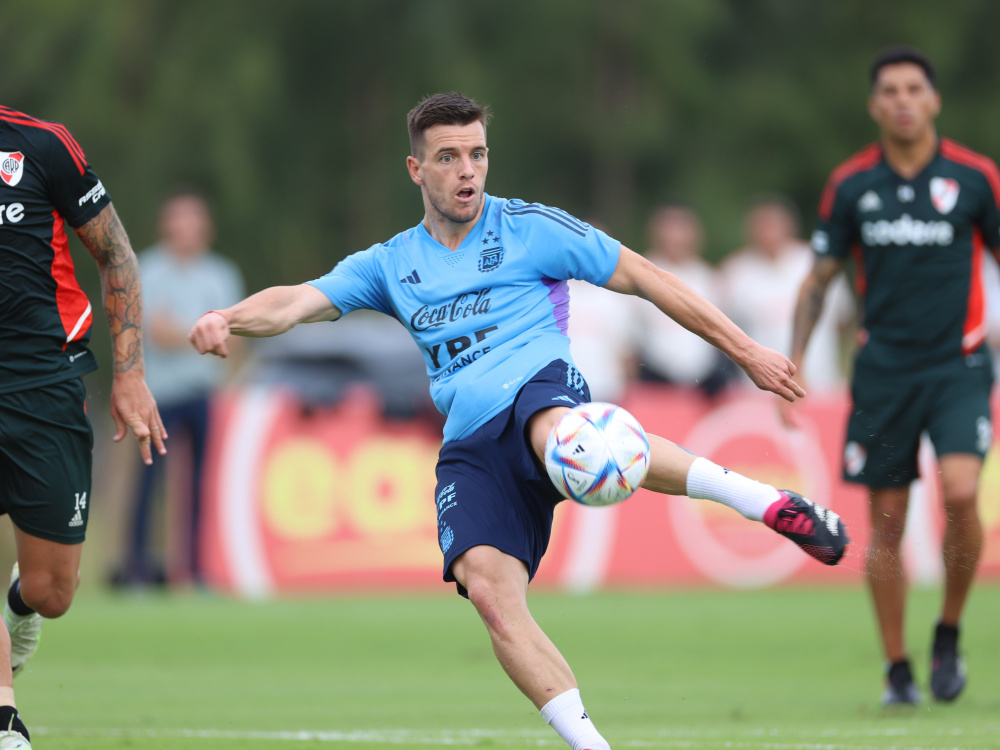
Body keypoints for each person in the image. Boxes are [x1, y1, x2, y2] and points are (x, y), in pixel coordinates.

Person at [190, 93, 848, 750]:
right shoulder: (391, 264)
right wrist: (230, 317)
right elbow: (297, 301)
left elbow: (648, 278)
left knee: (571, 438)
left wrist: (748, 353)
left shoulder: (532, 228)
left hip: (540, 390)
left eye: (476, 154)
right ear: (417, 170)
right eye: (448, 157)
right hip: (471, 444)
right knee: (491, 596)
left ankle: (763, 502)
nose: (467, 170)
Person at [783, 47, 1000, 706]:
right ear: (875, 105)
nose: (903, 100)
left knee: (962, 494)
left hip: (958, 366)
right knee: (886, 521)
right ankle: (899, 667)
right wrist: (788, 362)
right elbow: (819, 280)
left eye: (914, 89)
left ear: (933, 100)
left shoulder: (974, 177)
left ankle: (949, 632)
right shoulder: (852, 186)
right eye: (890, 91)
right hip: (882, 375)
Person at [0, 106, 166, 749]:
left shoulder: (42, 146)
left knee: (53, 591)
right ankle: (6, 718)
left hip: (44, 387)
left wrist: (129, 374)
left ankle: (17, 603)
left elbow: (117, 255)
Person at [110, 190, 244, 588]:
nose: (186, 228)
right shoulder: (147, 269)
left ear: (206, 228)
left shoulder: (221, 273)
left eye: (193, 220)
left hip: (203, 394)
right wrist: (205, 330)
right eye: (179, 220)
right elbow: (156, 329)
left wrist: (188, 330)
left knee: (200, 486)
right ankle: (136, 567)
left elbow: (235, 334)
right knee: (149, 484)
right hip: (158, 396)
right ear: (167, 225)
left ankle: (195, 570)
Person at [720, 195, 853, 393]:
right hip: (757, 390)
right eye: (761, 225)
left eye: (773, 224)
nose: (767, 233)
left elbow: (844, 320)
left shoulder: (816, 263)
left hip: (820, 384)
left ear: (790, 226)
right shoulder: (735, 272)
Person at [633, 204, 731, 395]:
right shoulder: (638, 275)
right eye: (668, 228)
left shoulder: (708, 278)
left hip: (704, 384)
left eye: (681, 229)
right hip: (655, 381)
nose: (675, 237)